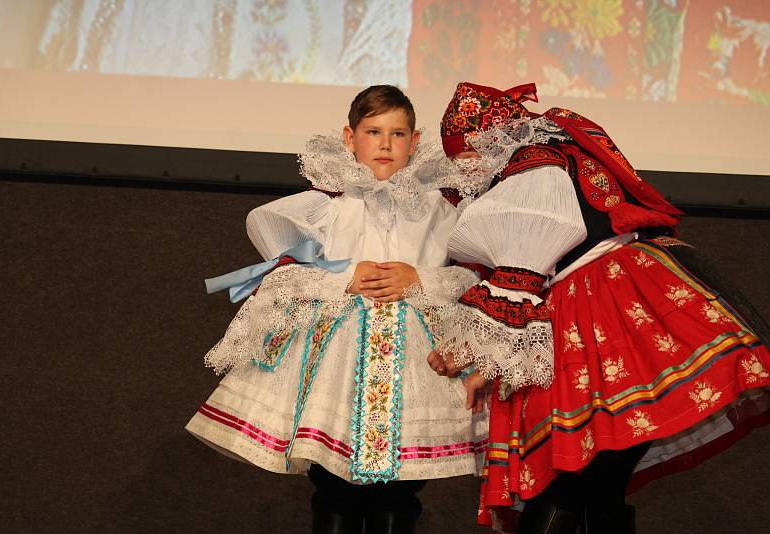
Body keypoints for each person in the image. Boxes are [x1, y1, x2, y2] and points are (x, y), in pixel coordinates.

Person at [428, 81, 770, 533]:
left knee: (573, 476)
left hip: (595, 302)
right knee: (601, 479)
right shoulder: (557, 153)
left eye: (465, 157)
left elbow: (521, 273)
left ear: (487, 140)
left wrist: (474, 360)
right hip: (631, 289)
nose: (464, 170)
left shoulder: (533, 167)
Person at [186, 85, 489, 534]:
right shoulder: (325, 207)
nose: (385, 144)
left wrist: (420, 278)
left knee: (399, 489)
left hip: (416, 359)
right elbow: (286, 277)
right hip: (337, 357)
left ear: (416, 140)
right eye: (373, 131)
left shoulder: (440, 210)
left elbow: (474, 281)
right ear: (350, 138)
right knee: (334, 485)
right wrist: (345, 276)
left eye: (398, 133)